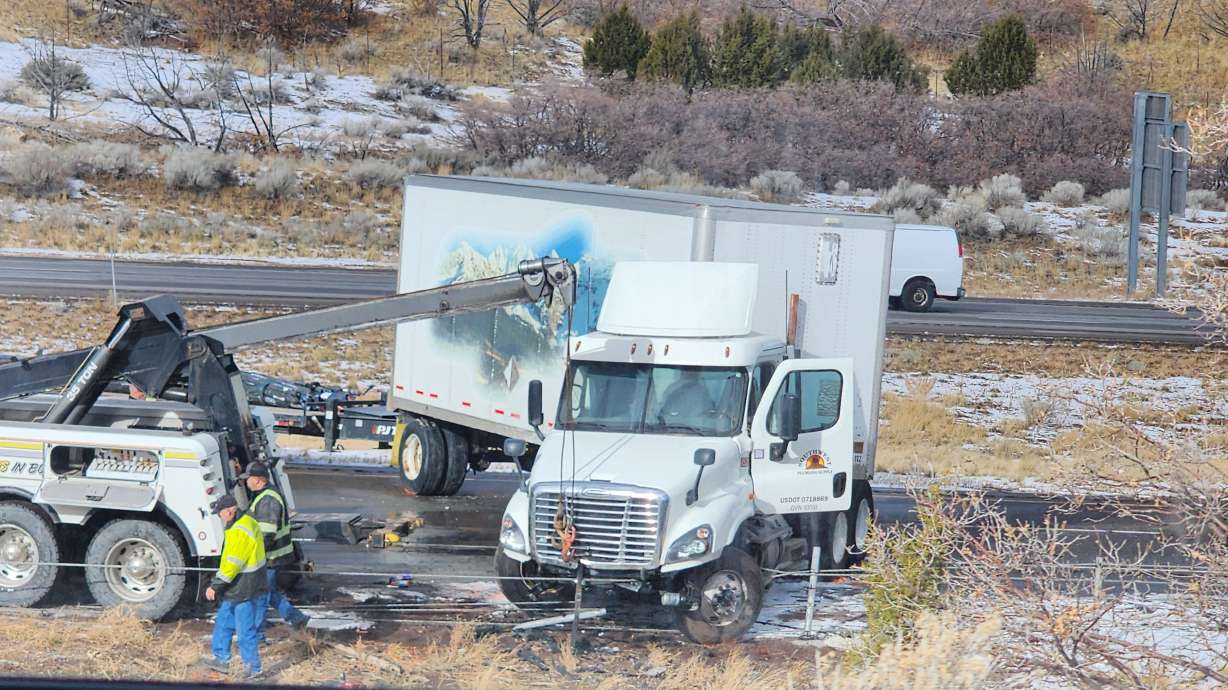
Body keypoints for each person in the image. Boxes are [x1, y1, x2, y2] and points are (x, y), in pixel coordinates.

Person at [241, 462, 310, 637]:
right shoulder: (263, 495)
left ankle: (257, 636)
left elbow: (267, 534)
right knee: (267, 592)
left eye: (247, 478)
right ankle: (297, 618)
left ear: (257, 480)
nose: (245, 481)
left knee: (259, 596)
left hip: (270, 557)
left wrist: (253, 556)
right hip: (272, 556)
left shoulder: (268, 500)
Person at [205, 495, 269, 679]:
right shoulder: (245, 521)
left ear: (230, 511)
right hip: (242, 584)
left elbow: (233, 564)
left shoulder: (239, 530)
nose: (219, 517)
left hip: (243, 586)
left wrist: (215, 586)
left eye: (220, 513)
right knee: (224, 620)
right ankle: (221, 658)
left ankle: (254, 668)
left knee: (244, 630)